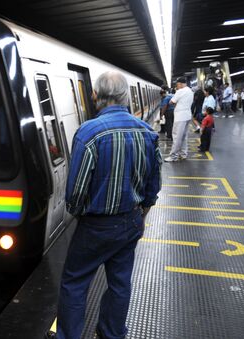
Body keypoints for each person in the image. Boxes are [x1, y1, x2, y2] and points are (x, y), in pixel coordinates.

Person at [57, 71, 162, 339]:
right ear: (126, 96)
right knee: (119, 282)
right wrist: (142, 210)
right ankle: (111, 333)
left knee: (75, 282)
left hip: (96, 225)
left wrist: (78, 212)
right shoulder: (147, 133)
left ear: (95, 96)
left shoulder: (89, 133)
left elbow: (76, 191)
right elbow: (154, 184)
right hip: (130, 221)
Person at [164, 77, 194, 162]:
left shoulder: (180, 91)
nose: (177, 87)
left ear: (180, 84)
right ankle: (183, 154)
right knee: (184, 136)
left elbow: (171, 102)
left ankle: (173, 156)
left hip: (180, 117)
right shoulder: (190, 91)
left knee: (177, 137)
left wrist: (175, 100)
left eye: (177, 85)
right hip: (187, 115)